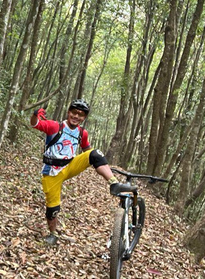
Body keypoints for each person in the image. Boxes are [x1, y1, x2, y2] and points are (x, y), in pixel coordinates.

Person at [31, 99, 135, 245]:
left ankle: (114, 183)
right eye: (74, 112)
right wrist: (35, 115)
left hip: (70, 165)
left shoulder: (82, 133)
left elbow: (87, 150)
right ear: (69, 112)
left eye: (81, 115)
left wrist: (98, 162)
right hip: (52, 170)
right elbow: (35, 124)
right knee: (52, 208)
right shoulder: (55, 126)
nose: (76, 116)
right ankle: (53, 234)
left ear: (84, 117)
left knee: (95, 153)